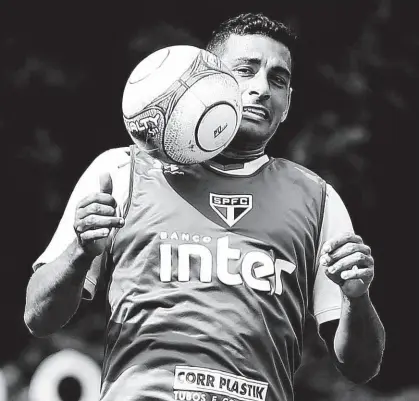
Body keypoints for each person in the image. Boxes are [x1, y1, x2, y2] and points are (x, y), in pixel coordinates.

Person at [24, 12, 385, 401]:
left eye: (278, 79)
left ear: (288, 103)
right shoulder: (121, 171)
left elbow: (361, 366)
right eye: (245, 70)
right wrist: (80, 252)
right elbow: (38, 317)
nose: (262, 88)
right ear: (207, 78)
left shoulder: (318, 199)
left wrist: (356, 297)